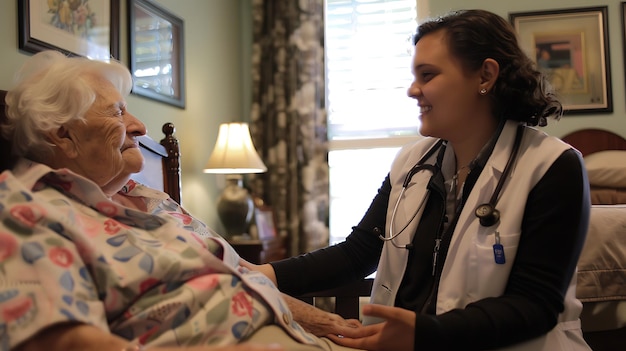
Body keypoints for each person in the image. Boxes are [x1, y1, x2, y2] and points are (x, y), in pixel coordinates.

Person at [243, 9, 592, 351]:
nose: (413, 90)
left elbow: (535, 305)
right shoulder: (411, 162)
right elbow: (359, 253)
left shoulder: (552, 167)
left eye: (427, 75)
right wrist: (259, 275)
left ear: (485, 76)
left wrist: (425, 333)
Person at [0, 51, 362, 351]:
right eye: (117, 112)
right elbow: (64, 339)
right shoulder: (29, 211)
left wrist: (334, 326)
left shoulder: (156, 201)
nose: (140, 126)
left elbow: (247, 278)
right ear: (64, 135)